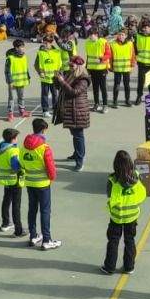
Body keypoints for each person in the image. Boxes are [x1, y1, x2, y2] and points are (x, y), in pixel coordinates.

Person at [103, 150, 146, 275]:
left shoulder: (112, 180)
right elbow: (141, 193)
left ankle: (109, 266)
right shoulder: (137, 177)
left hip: (117, 216)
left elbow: (109, 195)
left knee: (113, 241)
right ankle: (129, 266)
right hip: (132, 216)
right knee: (130, 240)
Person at [22, 118, 59, 250]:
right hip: (43, 184)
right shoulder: (44, 148)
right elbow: (50, 167)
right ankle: (46, 240)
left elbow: (21, 163)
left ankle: (33, 236)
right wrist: (52, 177)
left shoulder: (24, 146)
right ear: (43, 130)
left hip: (30, 183)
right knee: (45, 211)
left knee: (32, 209)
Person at [53, 55, 91, 171]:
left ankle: (80, 161)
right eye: (69, 65)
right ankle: (77, 154)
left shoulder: (83, 78)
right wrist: (56, 78)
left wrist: (62, 81)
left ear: (78, 65)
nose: (70, 67)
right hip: (71, 110)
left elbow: (74, 92)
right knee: (75, 135)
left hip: (78, 111)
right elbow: (59, 87)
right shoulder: (70, 74)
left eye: (72, 65)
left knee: (78, 136)